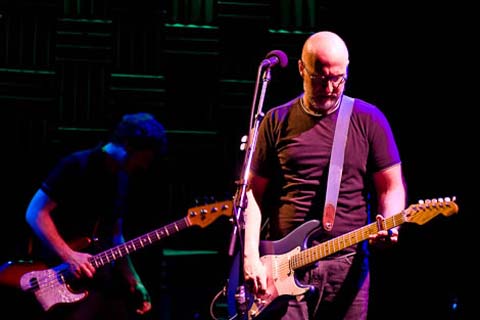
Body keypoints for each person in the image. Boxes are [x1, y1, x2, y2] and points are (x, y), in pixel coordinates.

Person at [242, 31, 406, 319]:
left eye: (338, 78)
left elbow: (391, 186)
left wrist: (390, 222)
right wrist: (250, 256)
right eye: (320, 78)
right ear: (301, 69)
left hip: (346, 266)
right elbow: (252, 193)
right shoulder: (276, 120)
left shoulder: (369, 120)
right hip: (282, 266)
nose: (330, 88)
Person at [24, 112, 168, 319]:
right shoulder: (77, 164)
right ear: (129, 146)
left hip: (95, 278)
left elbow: (116, 236)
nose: (144, 166)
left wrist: (134, 280)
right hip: (55, 271)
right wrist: (69, 255)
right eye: (144, 158)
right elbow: (35, 211)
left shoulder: (121, 179)